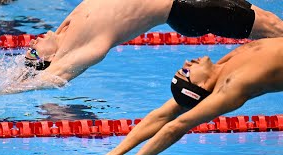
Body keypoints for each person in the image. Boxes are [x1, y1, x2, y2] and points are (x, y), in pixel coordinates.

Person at [92, 37, 283, 155]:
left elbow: (162, 115)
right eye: (185, 72)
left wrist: (114, 153)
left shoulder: (222, 66)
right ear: (201, 86)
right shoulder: (232, 85)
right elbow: (176, 126)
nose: (186, 63)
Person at [20, 0, 283, 90]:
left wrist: (23, 70)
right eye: (34, 52)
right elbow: (55, 77)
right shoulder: (87, 47)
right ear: (51, 58)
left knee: (273, 26)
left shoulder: (67, 25)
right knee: (274, 28)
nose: (33, 41)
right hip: (189, 8)